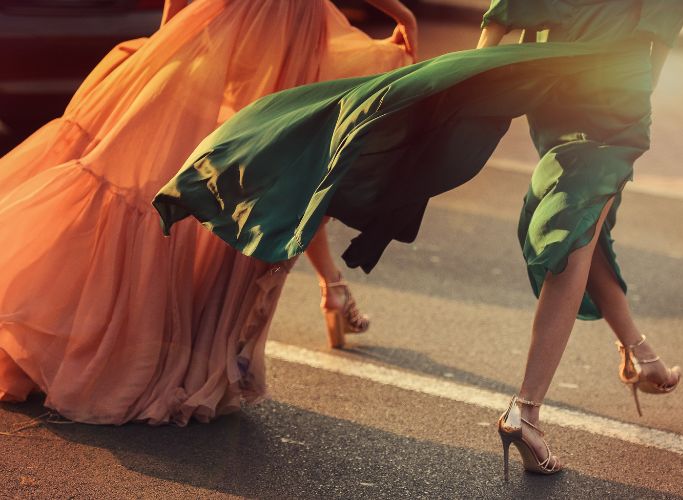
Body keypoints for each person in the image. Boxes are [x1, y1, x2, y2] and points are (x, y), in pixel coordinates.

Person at [154, 0, 683, 474]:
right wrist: (630, 109)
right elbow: (656, 45)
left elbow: (504, 16)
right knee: (575, 228)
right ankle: (525, 411)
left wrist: (470, 79)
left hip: (554, 88)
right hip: (615, 92)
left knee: (587, 220)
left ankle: (640, 355)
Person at [0, 0, 416, 425]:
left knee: (226, 174)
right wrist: (402, 15)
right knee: (266, 175)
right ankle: (190, 352)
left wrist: (168, 37)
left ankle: (138, 346)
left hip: (242, 24)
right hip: (286, 32)